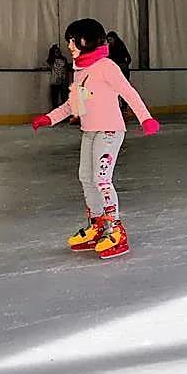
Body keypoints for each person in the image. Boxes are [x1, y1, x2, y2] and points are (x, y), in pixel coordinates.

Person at [32, 18, 161, 260]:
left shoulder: (106, 66)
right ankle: (98, 224)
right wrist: (49, 118)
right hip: (90, 131)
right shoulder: (80, 70)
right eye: (69, 41)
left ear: (87, 41)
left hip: (110, 131)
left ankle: (115, 228)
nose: (70, 45)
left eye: (73, 40)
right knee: (85, 177)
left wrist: (146, 118)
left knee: (102, 180)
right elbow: (73, 104)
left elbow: (129, 93)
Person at [46, 44, 69, 110]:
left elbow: (66, 69)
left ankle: (64, 111)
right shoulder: (51, 60)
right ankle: (55, 111)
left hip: (63, 81)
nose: (57, 53)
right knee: (55, 99)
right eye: (56, 52)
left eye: (58, 51)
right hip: (55, 81)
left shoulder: (63, 59)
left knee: (64, 98)